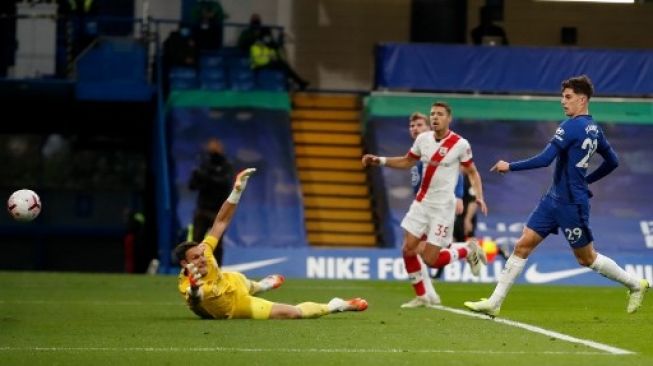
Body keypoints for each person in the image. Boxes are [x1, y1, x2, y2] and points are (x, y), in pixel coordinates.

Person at [464, 75, 650, 317]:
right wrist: (587, 180)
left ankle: (635, 284)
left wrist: (509, 166)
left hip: (571, 204)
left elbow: (544, 160)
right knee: (522, 245)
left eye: (568, 97)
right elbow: (612, 161)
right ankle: (494, 302)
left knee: (587, 259)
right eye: (562, 96)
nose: (563, 102)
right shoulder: (595, 130)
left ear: (582, 100)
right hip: (553, 199)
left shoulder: (570, 127)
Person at [175, 168, 368, 320]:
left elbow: (221, 222)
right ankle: (335, 305)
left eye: (201, 254)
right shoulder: (186, 285)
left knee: (250, 285)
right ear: (185, 264)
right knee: (292, 314)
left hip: (233, 281)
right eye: (195, 257)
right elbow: (196, 300)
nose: (202, 258)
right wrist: (193, 288)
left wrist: (237, 191)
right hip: (236, 306)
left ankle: (262, 285)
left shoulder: (206, 251)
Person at [363, 102, 488, 308]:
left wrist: (479, 196)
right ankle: (422, 296)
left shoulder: (460, 144)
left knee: (431, 259)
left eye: (440, 114)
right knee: (408, 249)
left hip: (442, 209)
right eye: (432, 114)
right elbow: (406, 161)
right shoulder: (423, 139)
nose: (435, 117)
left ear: (449, 118)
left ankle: (467, 249)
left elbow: (471, 172)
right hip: (421, 204)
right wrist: (380, 160)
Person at [188, 137, 233, 265]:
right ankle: (194, 269)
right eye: (211, 146)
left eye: (216, 146)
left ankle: (216, 270)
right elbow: (192, 186)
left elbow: (225, 184)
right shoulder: (203, 164)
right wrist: (197, 176)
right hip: (202, 209)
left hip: (218, 212)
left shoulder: (225, 165)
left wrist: (206, 177)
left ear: (221, 148)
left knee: (216, 243)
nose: (213, 149)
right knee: (196, 241)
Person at [246, 15, 309, 90]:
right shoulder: (255, 46)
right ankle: (299, 82)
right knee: (283, 65)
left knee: (284, 65)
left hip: (268, 63)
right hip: (259, 65)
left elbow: (274, 53)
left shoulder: (268, 46)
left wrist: (275, 55)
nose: (268, 38)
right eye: (266, 36)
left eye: (268, 36)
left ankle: (296, 84)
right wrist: (271, 59)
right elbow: (258, 60)